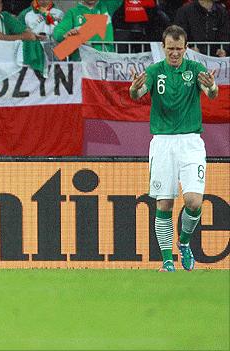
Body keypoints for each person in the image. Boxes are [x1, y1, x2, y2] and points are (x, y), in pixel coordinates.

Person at [128, 25, 218, 272]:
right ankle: (167, 261)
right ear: (163, 47)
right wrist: (135, 87)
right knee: (164, 204)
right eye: (171, 49)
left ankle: (185, 243)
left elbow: (212, 93)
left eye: (179, 49)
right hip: (163, 142)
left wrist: (211, 86)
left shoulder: (195, 69)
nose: (175, 53)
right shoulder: (156, 71)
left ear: (186, 48)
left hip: (190, 142)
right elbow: (136, 94)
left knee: (194, 202)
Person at [53, 0, 123, 60]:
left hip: (106, 60)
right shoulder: (73, 12)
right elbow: (58, 31)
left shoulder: (107, 6)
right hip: (81, 63)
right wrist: (64, 35)